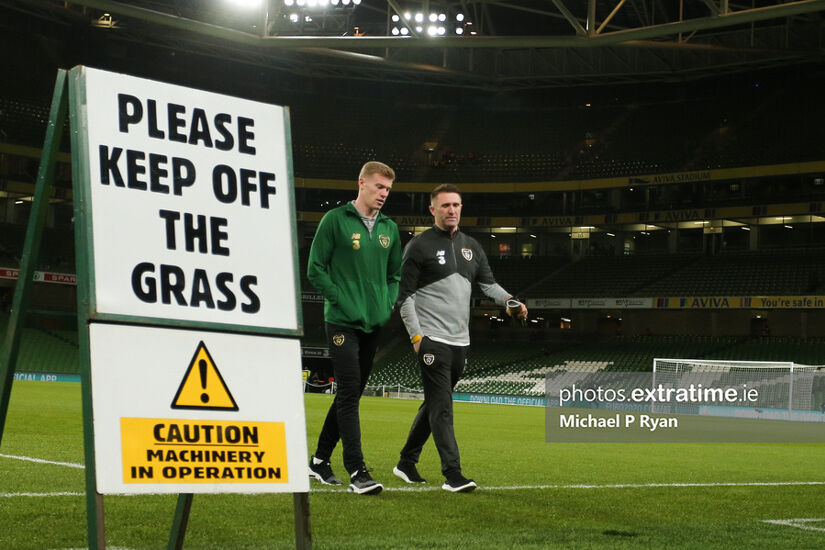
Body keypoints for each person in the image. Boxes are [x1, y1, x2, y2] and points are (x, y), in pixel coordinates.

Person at [394, 183, 527, 492]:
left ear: (461, 208)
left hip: (460, 342)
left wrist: (510, 302)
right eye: (445, 206)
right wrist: (417, 338)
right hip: (431, 340)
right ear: (433, 210)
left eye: (455, 205)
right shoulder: (418, 246)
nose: (451, 210)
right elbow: (404, 298)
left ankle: (406, 462)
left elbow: (489, 285)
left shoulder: (472, 246)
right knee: (442, 406)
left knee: (433, 405)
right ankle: (453, 474)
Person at [306, 161, 402, 495]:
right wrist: (341, 300)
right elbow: (315, 269)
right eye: (379, 187)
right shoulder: (335, 221)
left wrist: (387, 302)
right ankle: (357, 471)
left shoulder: (390, 228)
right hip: (342, 321)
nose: (384, 194)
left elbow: (394, 276)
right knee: (349, 392)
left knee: (352, 392)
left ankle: (318, 461)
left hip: (373, 323)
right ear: (361, 183)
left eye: (388, 189)